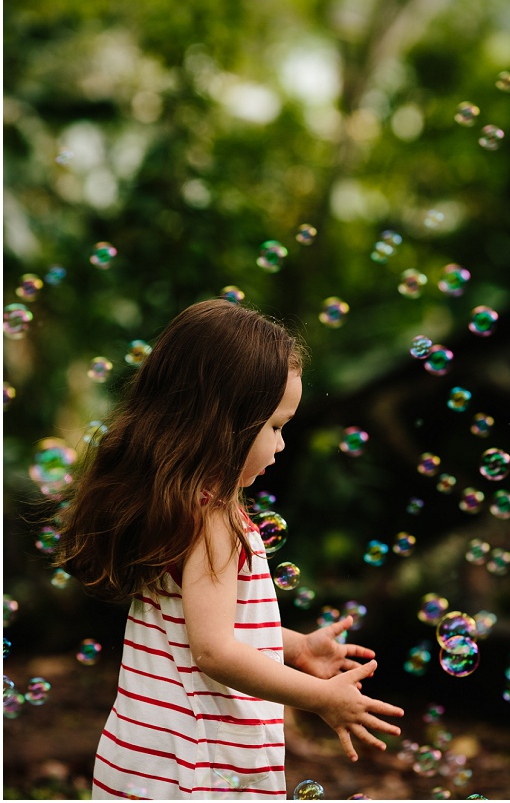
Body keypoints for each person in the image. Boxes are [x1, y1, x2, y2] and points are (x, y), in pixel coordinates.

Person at [56, 300, 403, 798]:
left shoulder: (179, 507)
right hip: (197, 769)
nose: (282, 446)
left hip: (145, 759)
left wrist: (298, 647)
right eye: (276, 427)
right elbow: (215, 650)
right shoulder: (211, 521)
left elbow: (204, 622)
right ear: (226, 422)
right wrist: (321, 698)